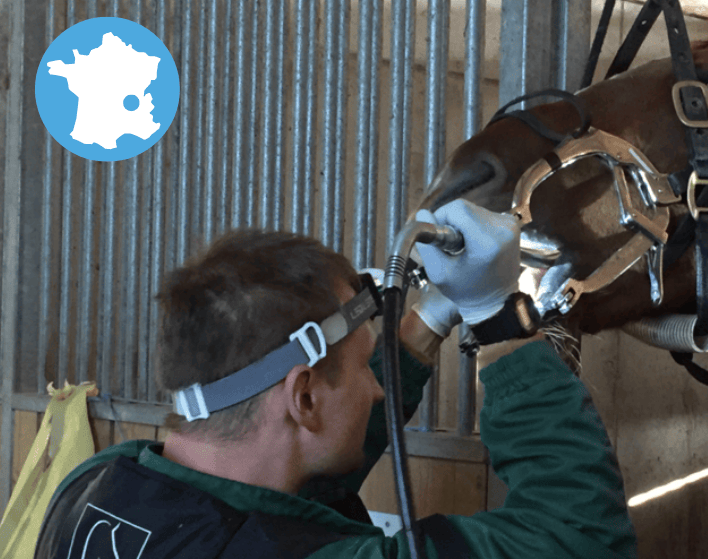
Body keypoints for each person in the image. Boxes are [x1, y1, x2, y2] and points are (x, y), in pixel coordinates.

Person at [34, 200, 637, 558]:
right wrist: (497, 316)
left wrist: (434, 313)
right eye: (363, 369)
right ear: (301, 396)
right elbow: (580, 537)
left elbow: (288, 479)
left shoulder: (99, 486)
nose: (380, 389)